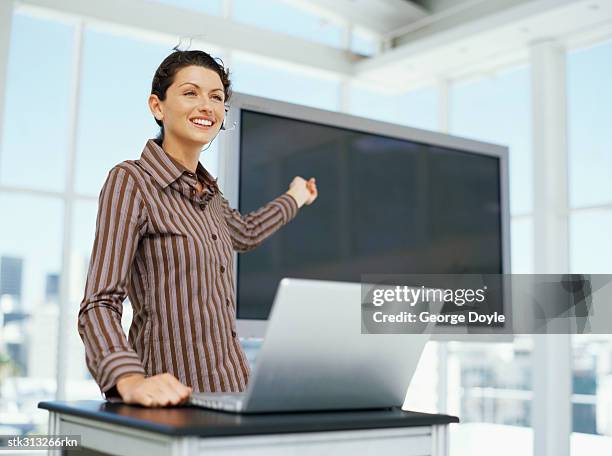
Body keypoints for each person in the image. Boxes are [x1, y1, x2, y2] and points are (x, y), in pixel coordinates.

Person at [77, 48, 318, 408]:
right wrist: (128, 379)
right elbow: (99, 302)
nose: (207, 105)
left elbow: (246, 232)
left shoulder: (210, 197)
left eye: (216, 97)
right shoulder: (132, 181)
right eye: (191, 93)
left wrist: (295, 198)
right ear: (157, 107)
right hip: (171, 401)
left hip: (234, 393)